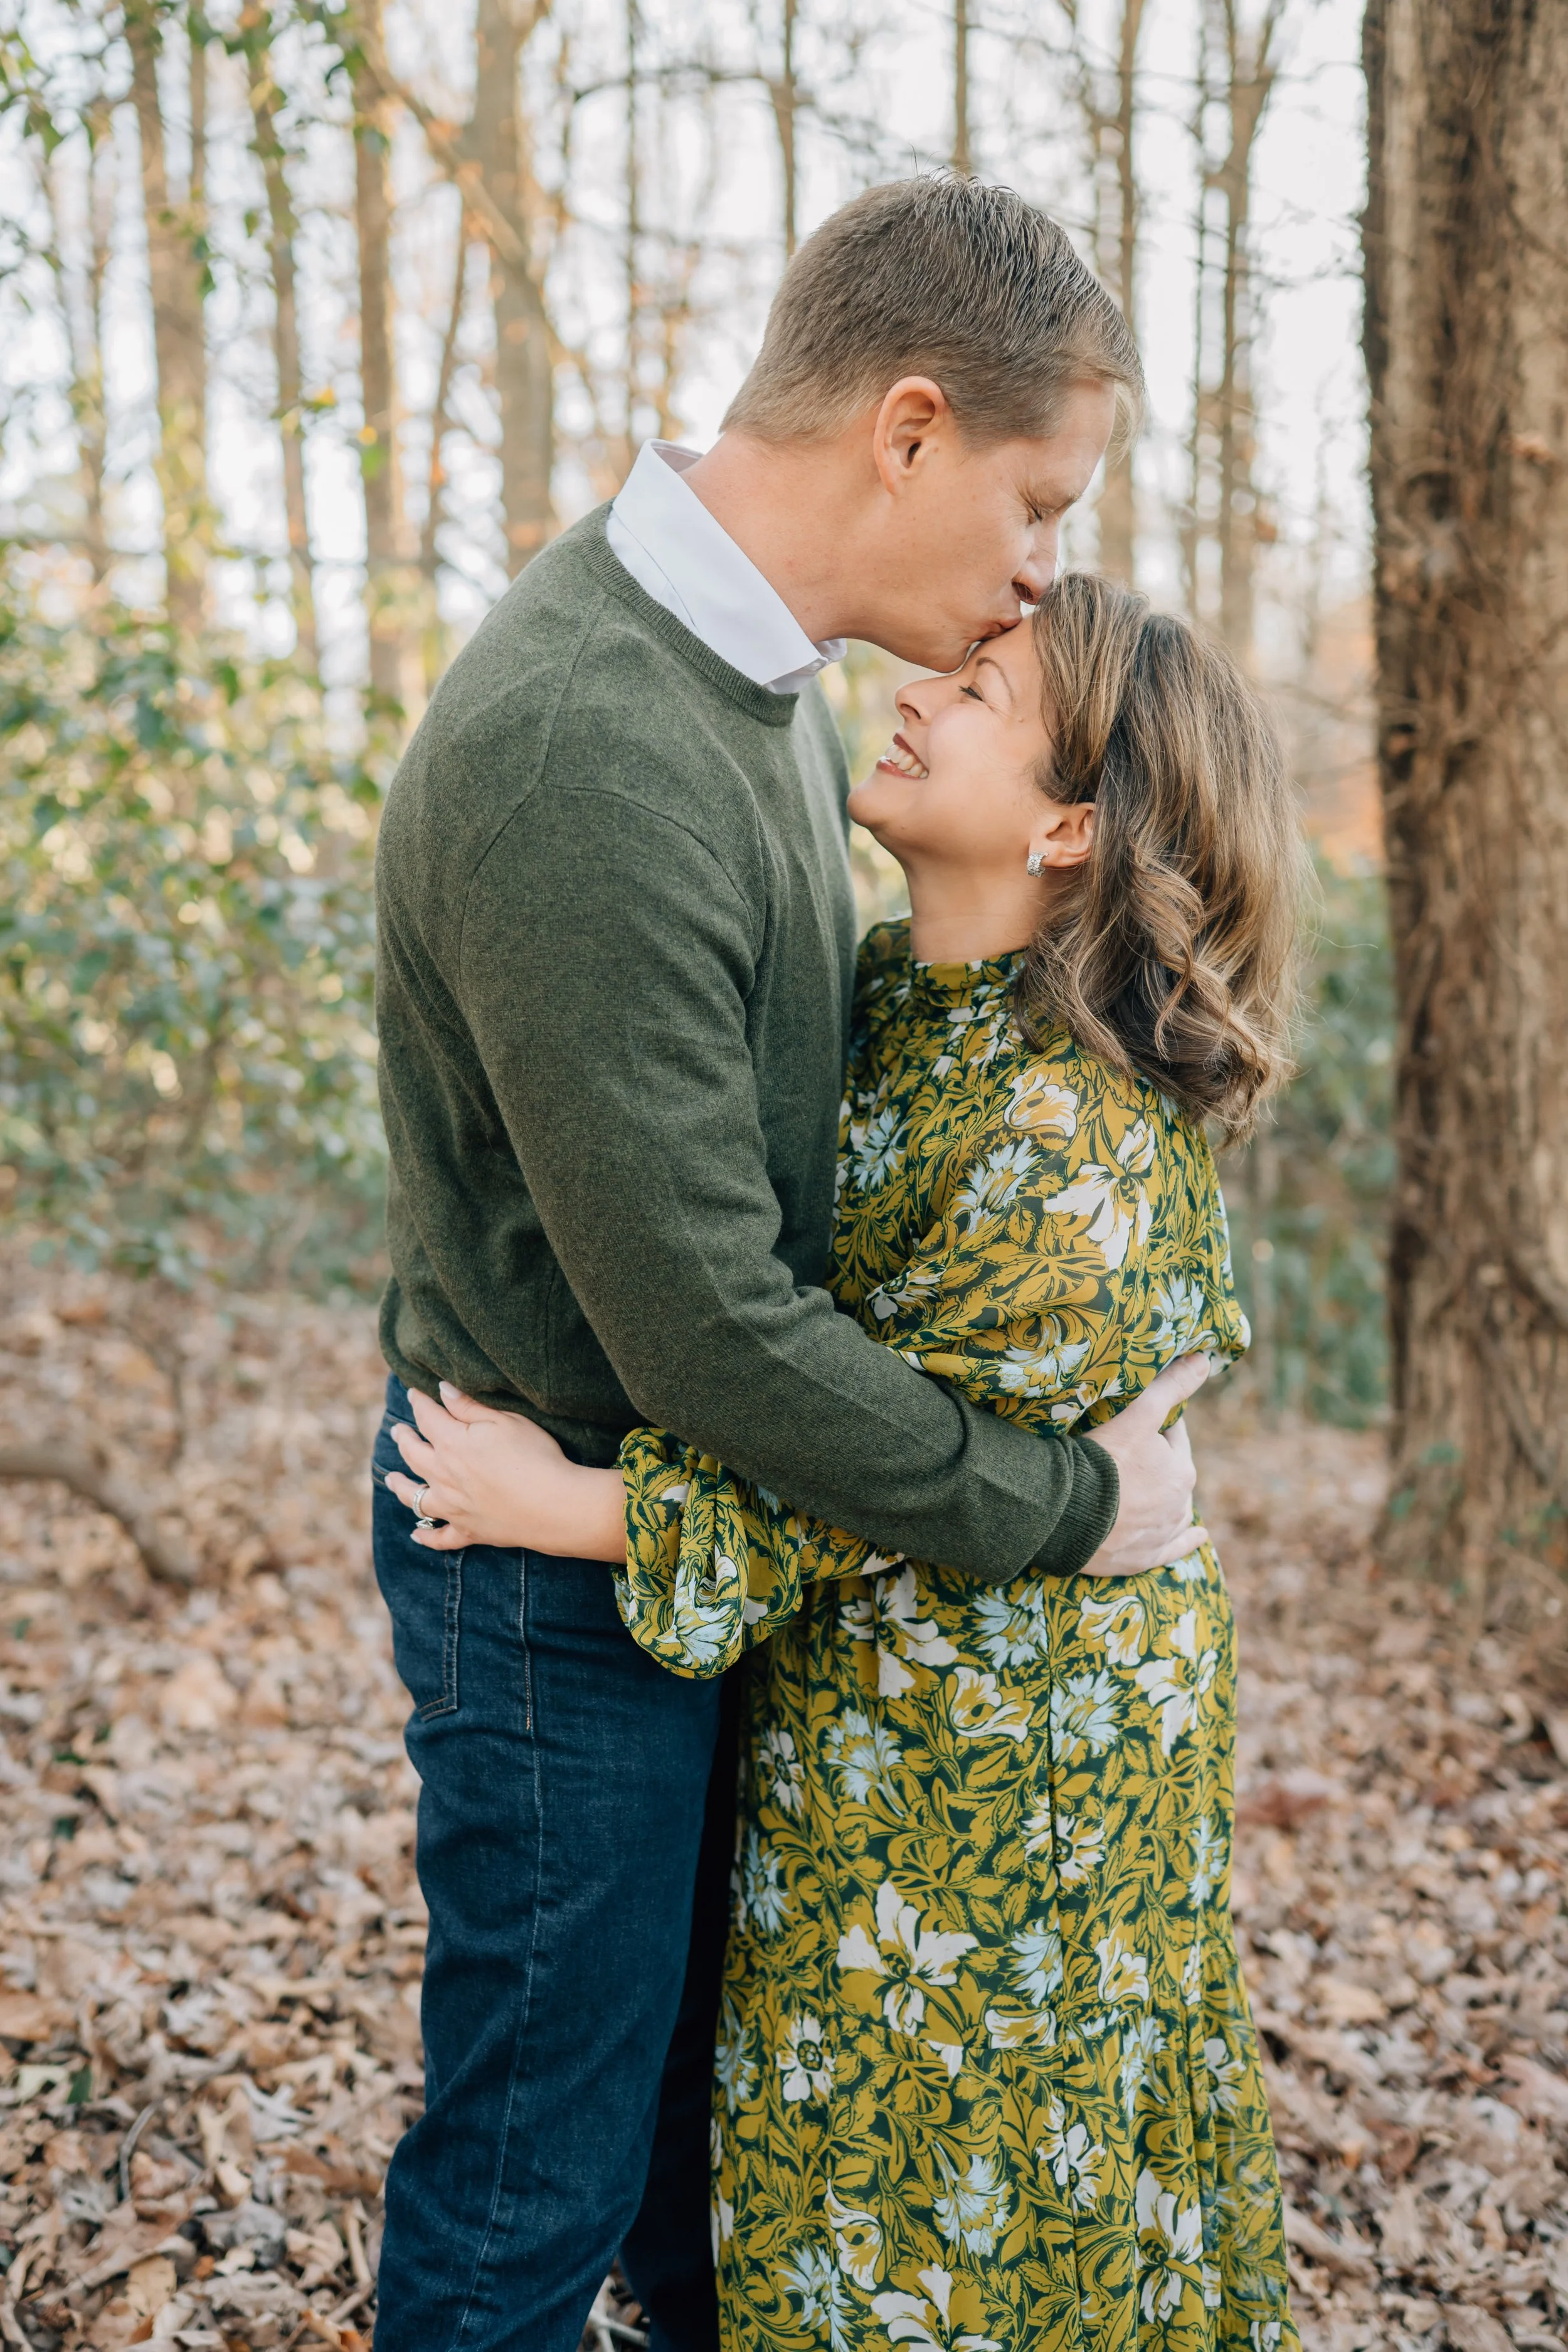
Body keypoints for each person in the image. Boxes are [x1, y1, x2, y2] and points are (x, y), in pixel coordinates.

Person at [371, 176, 1209, 2352]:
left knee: (683, 2157)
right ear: (908, 431)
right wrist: (1073, 1502)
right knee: (532, 2177)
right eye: (1038, 502)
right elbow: (720, 1331)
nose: (1043, 569)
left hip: (697, 1530)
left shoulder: (752, 685)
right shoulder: (591, 744)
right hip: (561, 1552)